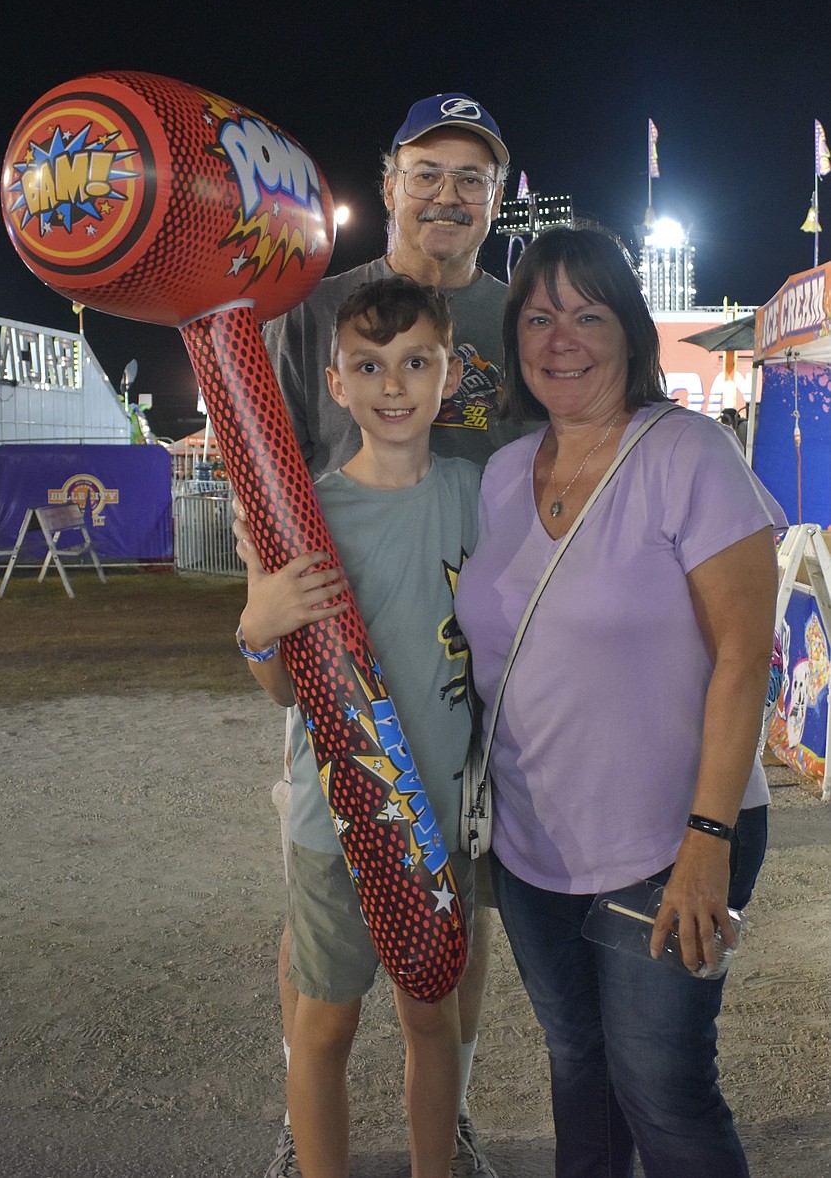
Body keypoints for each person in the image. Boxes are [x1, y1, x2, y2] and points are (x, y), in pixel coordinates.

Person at [454, 225, 787, 1178]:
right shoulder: (505, 475)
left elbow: (742, 661)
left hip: (672, 841)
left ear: (631, 335)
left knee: (664, 1088)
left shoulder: (688, 455)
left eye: (588, 315)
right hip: (532, 849)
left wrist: (708, 842)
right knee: (578, 1068)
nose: (562, 338)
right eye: (540, 316)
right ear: (515, 337)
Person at [257, 93, 513, 1178]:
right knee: (326, 957)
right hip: (342, 686)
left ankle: (440, 1121)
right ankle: (301, 1123)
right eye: (428, 172)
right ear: (392, 179)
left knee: (457, 949)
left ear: (498, 196)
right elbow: (263, 478)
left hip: (471, 709)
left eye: (473, 178)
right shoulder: (316, 311)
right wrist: (268, 622)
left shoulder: (519, 310)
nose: (449, 195)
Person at [237, 276, 481, 1178]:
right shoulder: (305, 514)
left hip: (440, 814)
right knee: (325, 1020)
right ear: (334, 383)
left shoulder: (478, 494)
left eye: (416, 362)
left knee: (432, 1013)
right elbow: (279, 690)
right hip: (332, 822)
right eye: (368, 366)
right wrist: (257, 626)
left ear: (449, 374)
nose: (393, 385)